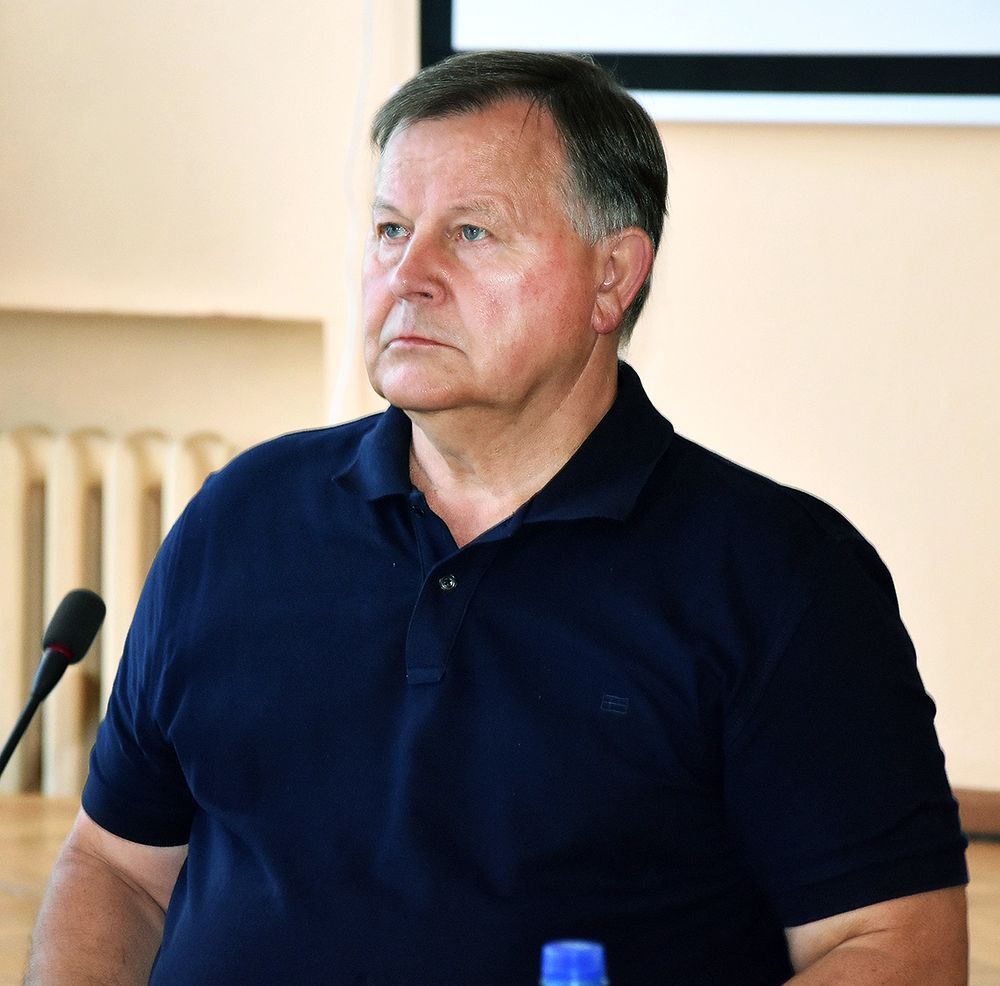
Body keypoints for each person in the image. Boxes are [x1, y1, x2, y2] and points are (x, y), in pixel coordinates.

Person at [27, 51, 969, 985]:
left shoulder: (779, 576)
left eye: (472, 233)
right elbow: (118, 869)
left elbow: (896, 947)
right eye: (391, 229)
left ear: (612, 278)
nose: (409, 273)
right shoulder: (240, 519)